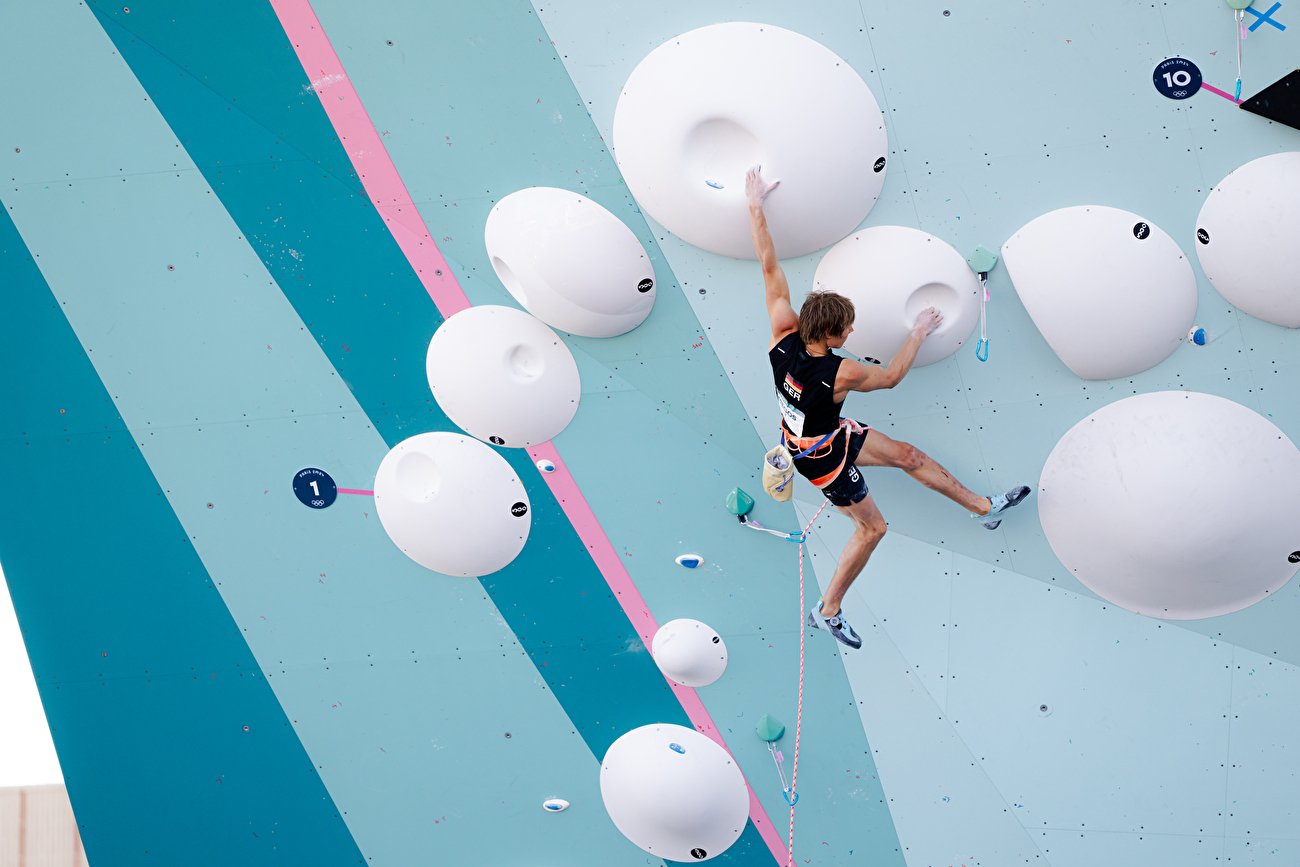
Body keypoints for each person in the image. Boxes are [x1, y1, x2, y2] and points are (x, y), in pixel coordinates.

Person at [747, 166, 1029, 650]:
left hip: (820, 433)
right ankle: (828, 610)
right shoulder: (843, 373)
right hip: (821, 459)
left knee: (908, 456)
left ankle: (983, 508)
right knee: (873, 528)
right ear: (829, 335)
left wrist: (755, 204)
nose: (851, 335)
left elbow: (770, 268)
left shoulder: (783, 331)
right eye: (846, 332)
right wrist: (918, 330)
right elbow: (894, 376)